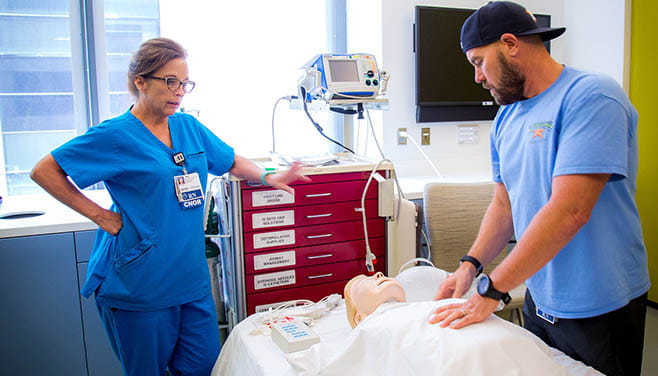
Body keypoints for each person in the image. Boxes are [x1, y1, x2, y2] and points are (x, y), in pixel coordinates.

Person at [30, 37, 309, 376]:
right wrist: (100, 215)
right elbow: (45, 171)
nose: (179, 91)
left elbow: (229, 160)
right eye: (170, 81)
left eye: (184, 83)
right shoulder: (115, 136)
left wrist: (268, 176)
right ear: (140, 82)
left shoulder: (187, 125)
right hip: (140, 281)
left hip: (190, 280)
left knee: (204, 367)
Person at [428, 2, 650, 376]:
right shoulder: (507, 117)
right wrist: (471, 266)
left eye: (479, 62)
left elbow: (570, 210)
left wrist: (493, 290)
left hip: (598, 301)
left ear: (511, 43)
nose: (478, 78)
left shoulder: (592, 97)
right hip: (540, 294)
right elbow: (504, 204)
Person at [339, 273, 602, 376]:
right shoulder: (372, 328)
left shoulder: (424, 307)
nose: (378, 274)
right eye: (364, 280)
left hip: (520, 354)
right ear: (360, 317)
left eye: (380, 275)